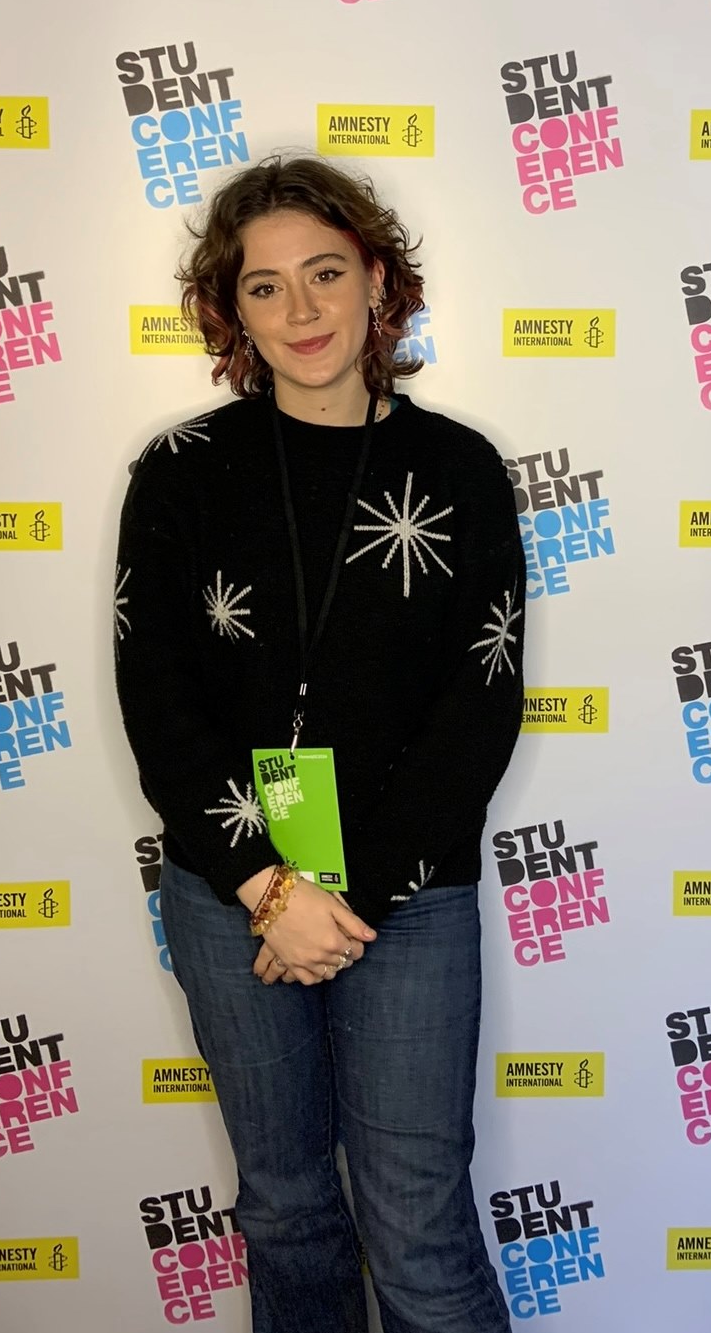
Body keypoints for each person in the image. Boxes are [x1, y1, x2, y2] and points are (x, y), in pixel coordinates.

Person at [114, 154, 524, 1333]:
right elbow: (159, 703)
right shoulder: (181, 472)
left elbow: (477, 710)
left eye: (326, 272)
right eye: (265, 286)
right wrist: (269, 887)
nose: (301, 310)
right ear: (227, 309)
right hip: (229, 893)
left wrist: (336, 901)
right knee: (287, 1210)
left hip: (408, 900)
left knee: (419, 1224)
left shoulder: (458, 470)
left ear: (378, 280)